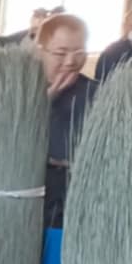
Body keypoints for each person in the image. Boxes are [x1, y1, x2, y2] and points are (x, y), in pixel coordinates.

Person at [38, 13, 94, 232]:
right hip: (33, 189)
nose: (70, 62)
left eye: (79, 53)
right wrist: (45, 101)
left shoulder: (99, 93)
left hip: (78, 192)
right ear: (41, 52)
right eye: (61, 53)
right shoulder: (21, 91)